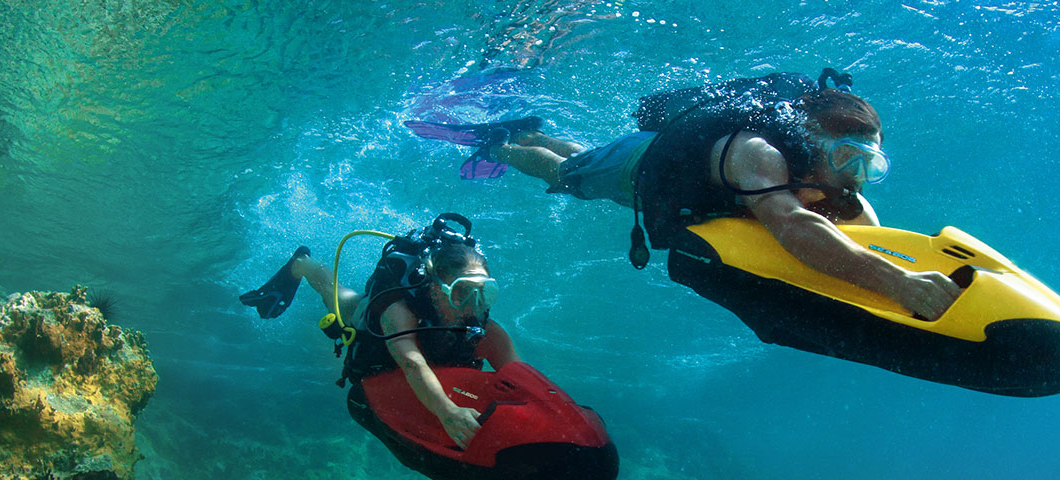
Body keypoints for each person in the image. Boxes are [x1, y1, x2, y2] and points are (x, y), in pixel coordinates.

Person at [406, 70, 962, 321]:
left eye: (870, 163)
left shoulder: (818, 165)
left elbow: (854, 213)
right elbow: (795, 227)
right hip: (637, 167)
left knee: (583, 157)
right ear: (811, 141)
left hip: (648, 155)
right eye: (847, 159)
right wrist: (898, 282)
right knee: (568, 178)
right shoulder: (761, 156)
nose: (857, 174)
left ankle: (534, 130)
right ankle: (505, 144)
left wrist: (893, 256)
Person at [239, 227, 518, 449]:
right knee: (334, 294)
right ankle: (303, 263)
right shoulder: (398, 312)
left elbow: (519, 375)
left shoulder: (485, 329)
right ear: (436, 289)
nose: (474, 304)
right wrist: (447, 412)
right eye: (462, 292)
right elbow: (412, 363)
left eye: (485, 293)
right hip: (366, 319)